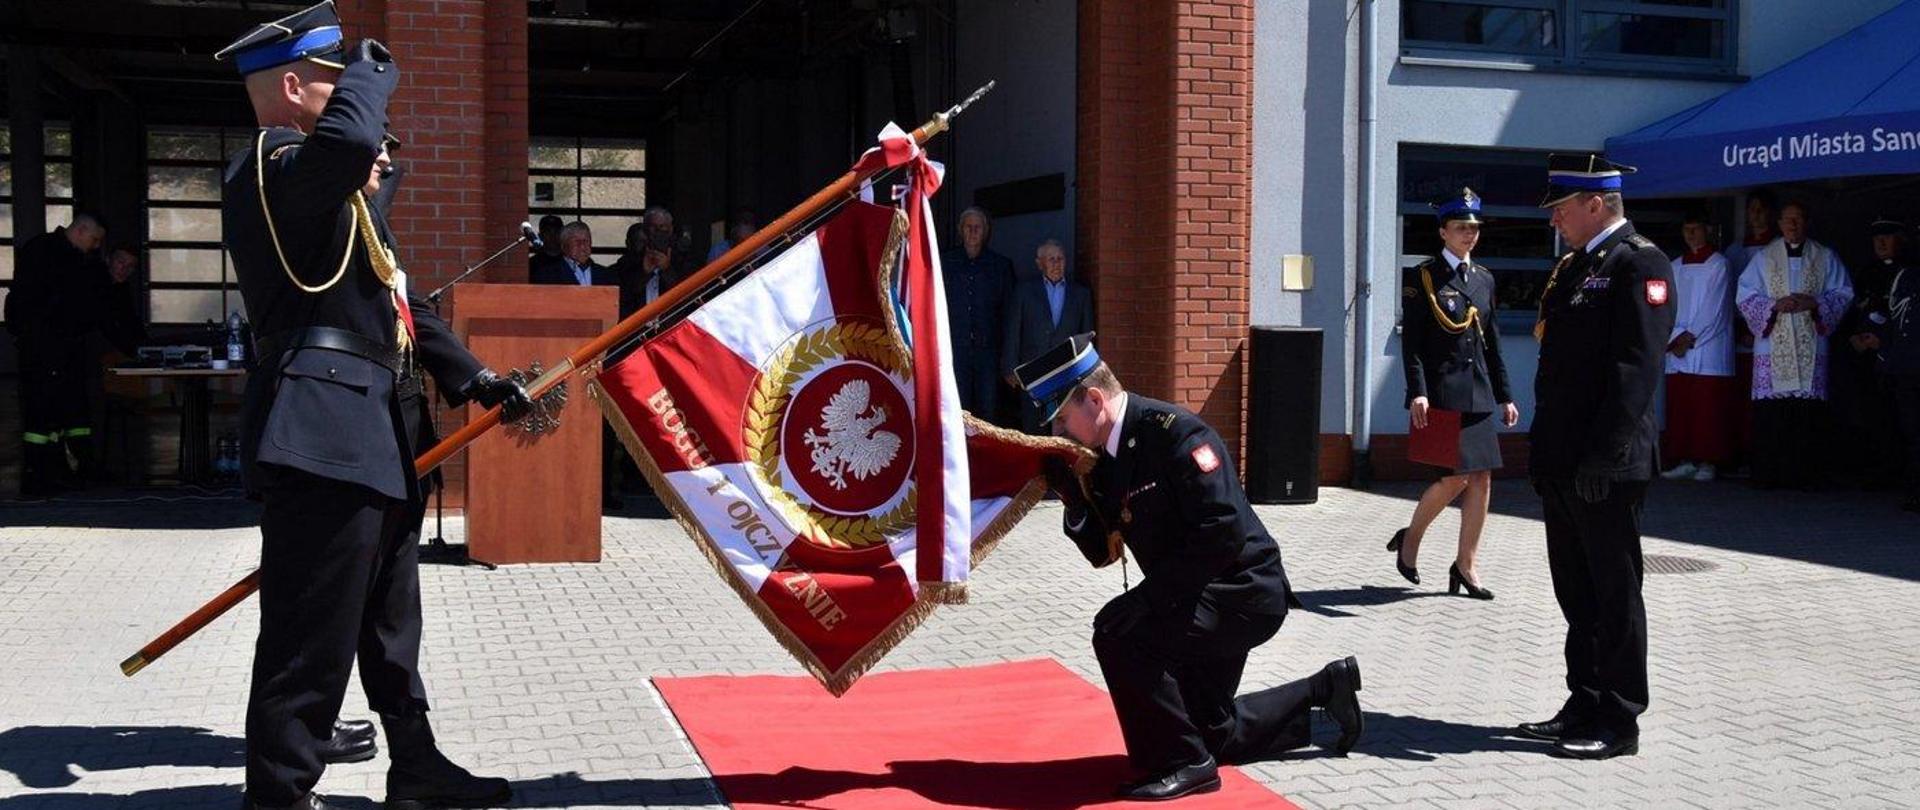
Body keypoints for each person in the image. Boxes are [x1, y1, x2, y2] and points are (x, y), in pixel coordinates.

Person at [214, 4, 530, 807]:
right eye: (332, 81)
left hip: (376, 434)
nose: (357, 102)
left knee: (391, 633)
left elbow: (400, 300)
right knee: (306, 639)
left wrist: (474, 378)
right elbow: (352, 142)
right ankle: (280, 794)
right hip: (318, 437)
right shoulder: (268, 165)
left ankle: (416, 769)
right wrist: (373, 66)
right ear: (294, 87)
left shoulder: (338, 205)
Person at [1018, 333, 1362, 801]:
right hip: (1195, 594)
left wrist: (1150, 598)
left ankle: (1183, 763)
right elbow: (1103, 553)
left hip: (1244, 592)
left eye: (1062, 419)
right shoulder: (1102, 459)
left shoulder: (1175, 434)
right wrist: (1074, 501)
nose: (1060, 433)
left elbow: (1222, 533)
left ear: (1094, 399)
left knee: (1121, 635)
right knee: (1210, 731)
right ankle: (1325, 688)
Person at [1521, 154, 1674, 761]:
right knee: (1575, 592)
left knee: (1614, 593)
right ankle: (1582, 700)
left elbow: (1636, 371)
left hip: (1606, 465)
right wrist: (1545, 454)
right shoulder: (1576, 267)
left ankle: (1619, 718)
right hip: (1566, 460)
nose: (1555, 218)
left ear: (1595, 204)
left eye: (1561, 207)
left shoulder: (1641, 262)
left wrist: (1603, 458)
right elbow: (1558, 372)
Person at [1388, 188, 1516, 600]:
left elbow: (1491, 343)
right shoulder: (1423, 277)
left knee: (1481, 479)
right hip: (1443, 392)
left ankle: (1467, 565)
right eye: (1461, 227)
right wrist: (1418, 391)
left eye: (1474, 228)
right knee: (1452, 478)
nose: (1469, 234)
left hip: (1477, 392)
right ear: (1443, 232)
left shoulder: (1483, 279)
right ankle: (1411, 540)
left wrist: (1505, 395)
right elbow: (1415, 345)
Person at [1734, 201, 1854, 490]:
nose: (1793, 225)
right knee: (1774, 415)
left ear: (1807, 222)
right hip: (1773, 346)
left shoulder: (1825, 256)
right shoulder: (1764, 258)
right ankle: (1769, 474)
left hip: (1811, 343)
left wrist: (1815, 303)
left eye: (1798, 220)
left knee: (1807, 413)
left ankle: (1807, 476)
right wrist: (1774, 305)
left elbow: (1844, 292)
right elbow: (1745, 295)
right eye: (1788, 220)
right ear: (1779, 224)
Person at [6, 214, 108, 496]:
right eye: (94, 239)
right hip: (46, 347)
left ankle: (56, 471)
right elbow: (58, 303)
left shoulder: (50, 252)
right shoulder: (52, 255)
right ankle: (38, 475)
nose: (96, 245)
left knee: (59, 413)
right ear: (80, 230)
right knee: (43, 413)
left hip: (55, 346)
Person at [1659, 213, 1737, 482]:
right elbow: (1665, 305)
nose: (1691, 234)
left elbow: (1715, 309)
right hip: (1679, 346)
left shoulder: (1720, 265)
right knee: (1682, 404)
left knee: (1708, 406)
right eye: (1687, 229)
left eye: (1696, 228)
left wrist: (1688, 338)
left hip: (1707, 345)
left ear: (1708, 231)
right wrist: (1674, 338)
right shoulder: (1675, 265)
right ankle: (1685, 458)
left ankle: (1708, 461)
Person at [1857, 219, 1920, 512]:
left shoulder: (1909, 273)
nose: (1881, 243)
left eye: (1887, 237)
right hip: (1885, 364)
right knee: (1886, 423)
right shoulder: (1871, 272)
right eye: (1876, 238)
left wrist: (1882, 340)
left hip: (1906, 360)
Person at [1000, 239, 1094, 434]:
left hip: (1067, 373)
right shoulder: (1024, 291)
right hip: (1033, 373)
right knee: (1034, 428)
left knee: (1065, 427)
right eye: (1051, 259)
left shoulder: (1080, 294)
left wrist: (1088, 372)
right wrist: (1010, 368)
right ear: (1039, 263)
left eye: (1060, 258)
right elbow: (1013, 330)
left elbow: (1087, 335)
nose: (1056, 263)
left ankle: (1058, 465)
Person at [940, 207, 1015, 419]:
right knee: (956, 409)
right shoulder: (945, 263)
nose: (973, 232)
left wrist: (1008, 358)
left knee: (988, 410)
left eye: (978, 227)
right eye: (968, 227)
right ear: (960, 230)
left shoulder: (1000, 266)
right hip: (955, 350)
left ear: (985, 231)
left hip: (989, 353)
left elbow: (1009, 316)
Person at [531, 221, 615, 286]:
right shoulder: (546, 276)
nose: (582, 246)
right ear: (563, 246)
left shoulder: (607, 275)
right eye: (577, 242)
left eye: (586, 241)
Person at [528, 213, 565, 279]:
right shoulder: (532, 264)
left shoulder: (571, 262)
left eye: (556, 232)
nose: (552, 236)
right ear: (540, 236)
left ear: (563, 235)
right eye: (548, 232)